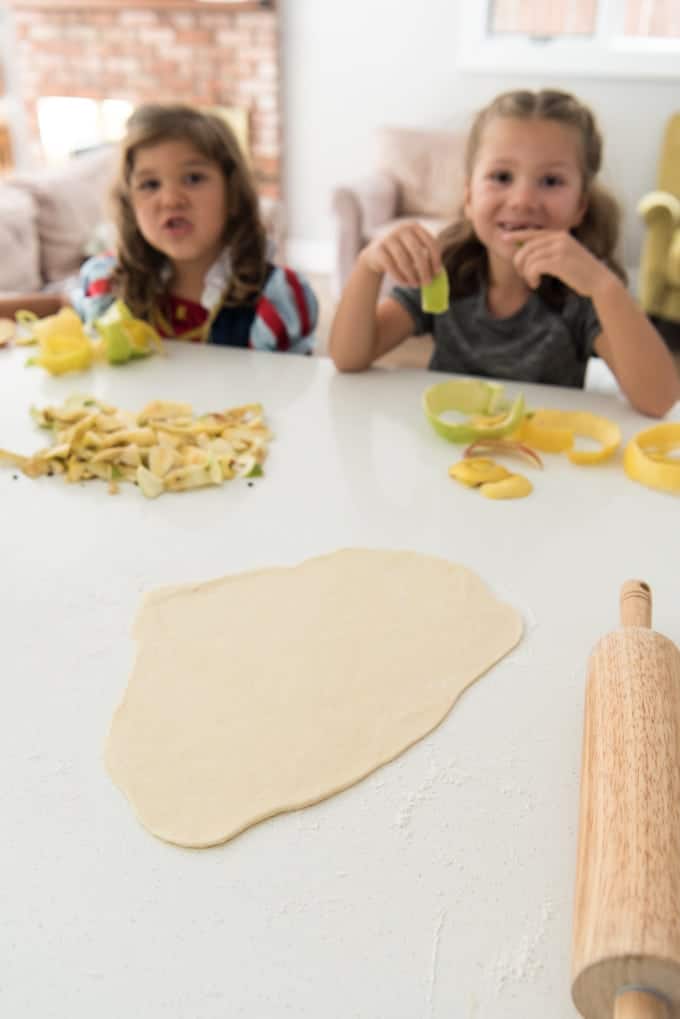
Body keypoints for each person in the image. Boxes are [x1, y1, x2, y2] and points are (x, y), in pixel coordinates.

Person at [328, 89, 680, 418]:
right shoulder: (446, 271)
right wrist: (368, 266)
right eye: (501, 176)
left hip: (541, 459)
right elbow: (348, 357)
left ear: (580, 207)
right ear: (469, 197)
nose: (523, 200)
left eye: (551, 181)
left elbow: (660, 399)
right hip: (449, 454)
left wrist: (605, 288)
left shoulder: (583, 295)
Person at [2, 103, 318, 354]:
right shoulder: (109, 282)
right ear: (130, 205)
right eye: (150, 184)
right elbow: (63, 303)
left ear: (233, 194)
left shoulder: (276, 299)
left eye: (193, 179)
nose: (170, 200)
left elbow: (292, 393)